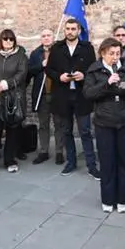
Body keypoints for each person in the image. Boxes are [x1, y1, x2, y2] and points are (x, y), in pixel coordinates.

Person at [85, 37, 125, 212]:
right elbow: (88, 93)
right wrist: (107, 83)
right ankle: (108, 199)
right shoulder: (94, 70)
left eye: (118, 53)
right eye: (111, 54)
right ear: (103, 53)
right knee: (108, 161)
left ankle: (124, 199)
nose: (115, 57)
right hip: (105, 122)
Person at [46, 18, 99, 178]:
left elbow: (93, 68)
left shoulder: (87, 48)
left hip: (81, 95)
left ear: (79, 31)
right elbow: (49, 69)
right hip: (62, 95)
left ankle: (91, 165)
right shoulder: (56, 48)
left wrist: (83, 75)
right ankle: (71, 162)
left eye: (73, 29)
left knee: (85, 131)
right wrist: (59, 77)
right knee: (66, 130)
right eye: (67, 29)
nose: (70, 31)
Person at [0, 29, 28, 175]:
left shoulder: (21, 56)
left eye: (11, 39)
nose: (8, 41)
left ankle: (10, 160)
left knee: (12, 131)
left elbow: (21, 75)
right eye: (5, 39)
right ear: (1, 40)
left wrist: (5, 84)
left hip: (13, 98)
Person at [28, 29, 64, 165]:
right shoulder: (36, 53)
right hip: (42, 94)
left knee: (59, 123)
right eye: (43, 36)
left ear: (53, 37)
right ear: (40, 38)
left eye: (49, 35)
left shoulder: (59, 50)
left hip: (57, 93)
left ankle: (59, 151)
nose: (46, 38)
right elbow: (30, 71)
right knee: (43, 124)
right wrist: (41, 65)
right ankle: (43, 151)